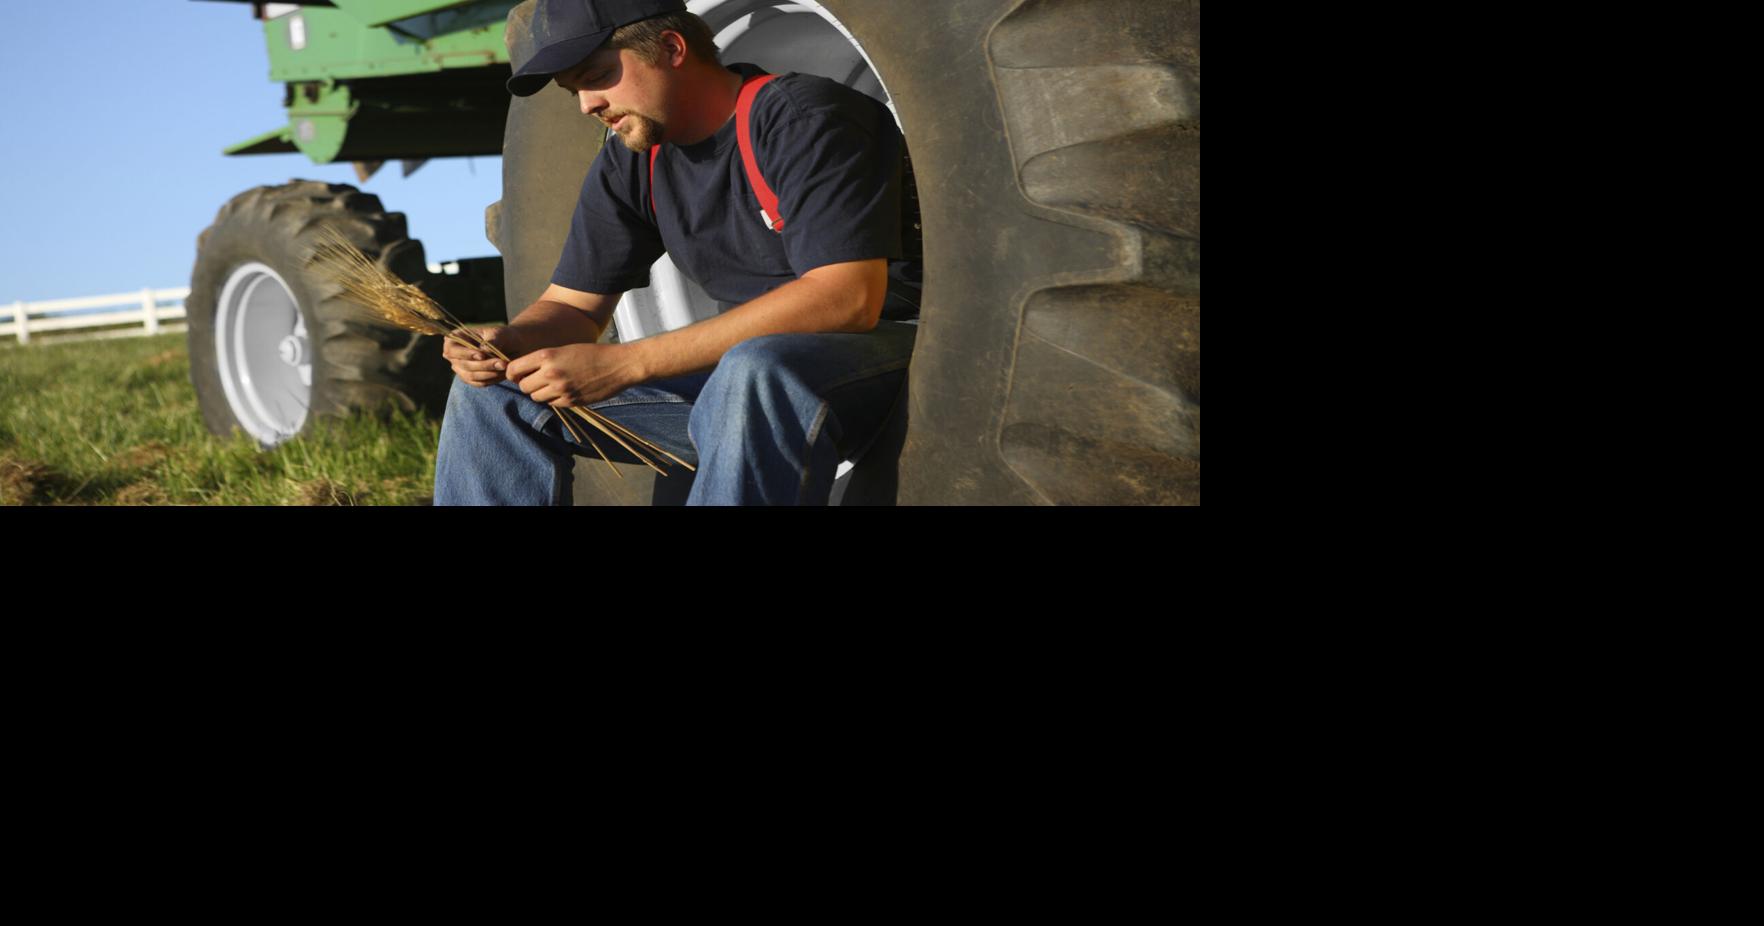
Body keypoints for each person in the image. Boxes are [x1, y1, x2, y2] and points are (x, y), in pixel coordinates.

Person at [432, 0, 920, 505]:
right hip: (743, 382)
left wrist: (627, 364)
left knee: (754, 368)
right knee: (495, 392)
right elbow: (572, 308)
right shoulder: (631, 164)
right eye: (573, 90)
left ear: (671, 48)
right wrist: (509, 340)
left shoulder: (801, 117)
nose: (586, 105)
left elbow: (848, 299)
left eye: (598, 75)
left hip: (882, 357)